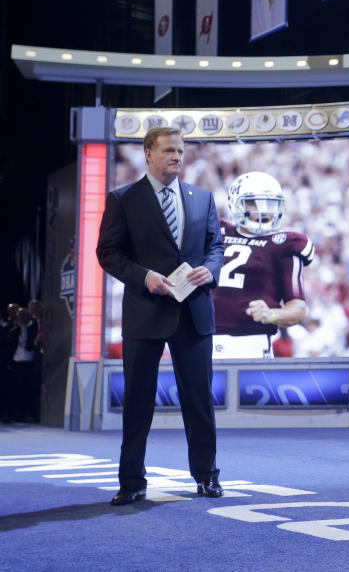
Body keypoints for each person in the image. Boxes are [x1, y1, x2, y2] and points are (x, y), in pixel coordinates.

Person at [96, 126, 225, 506]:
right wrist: (145, 277)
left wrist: (211, 269)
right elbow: (108, 252)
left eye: (181, 151)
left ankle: (207, 476)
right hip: (145, 310)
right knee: (138, 401)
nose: (177, 157)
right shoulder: (123, 199)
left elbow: (215, 246)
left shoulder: (202, 198)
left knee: (199, 399)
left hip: (194, 312)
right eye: (169, 150)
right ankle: (132, 481)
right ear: (148, 154)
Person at [212, 171, 313, 359]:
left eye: (270, 204)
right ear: (236, 203)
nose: (263, 211)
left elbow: (298, 308)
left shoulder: (284, 243)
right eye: (253, 202)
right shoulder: (215, 231)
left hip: (251, 344)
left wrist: (272, 314)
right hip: (202, 341)